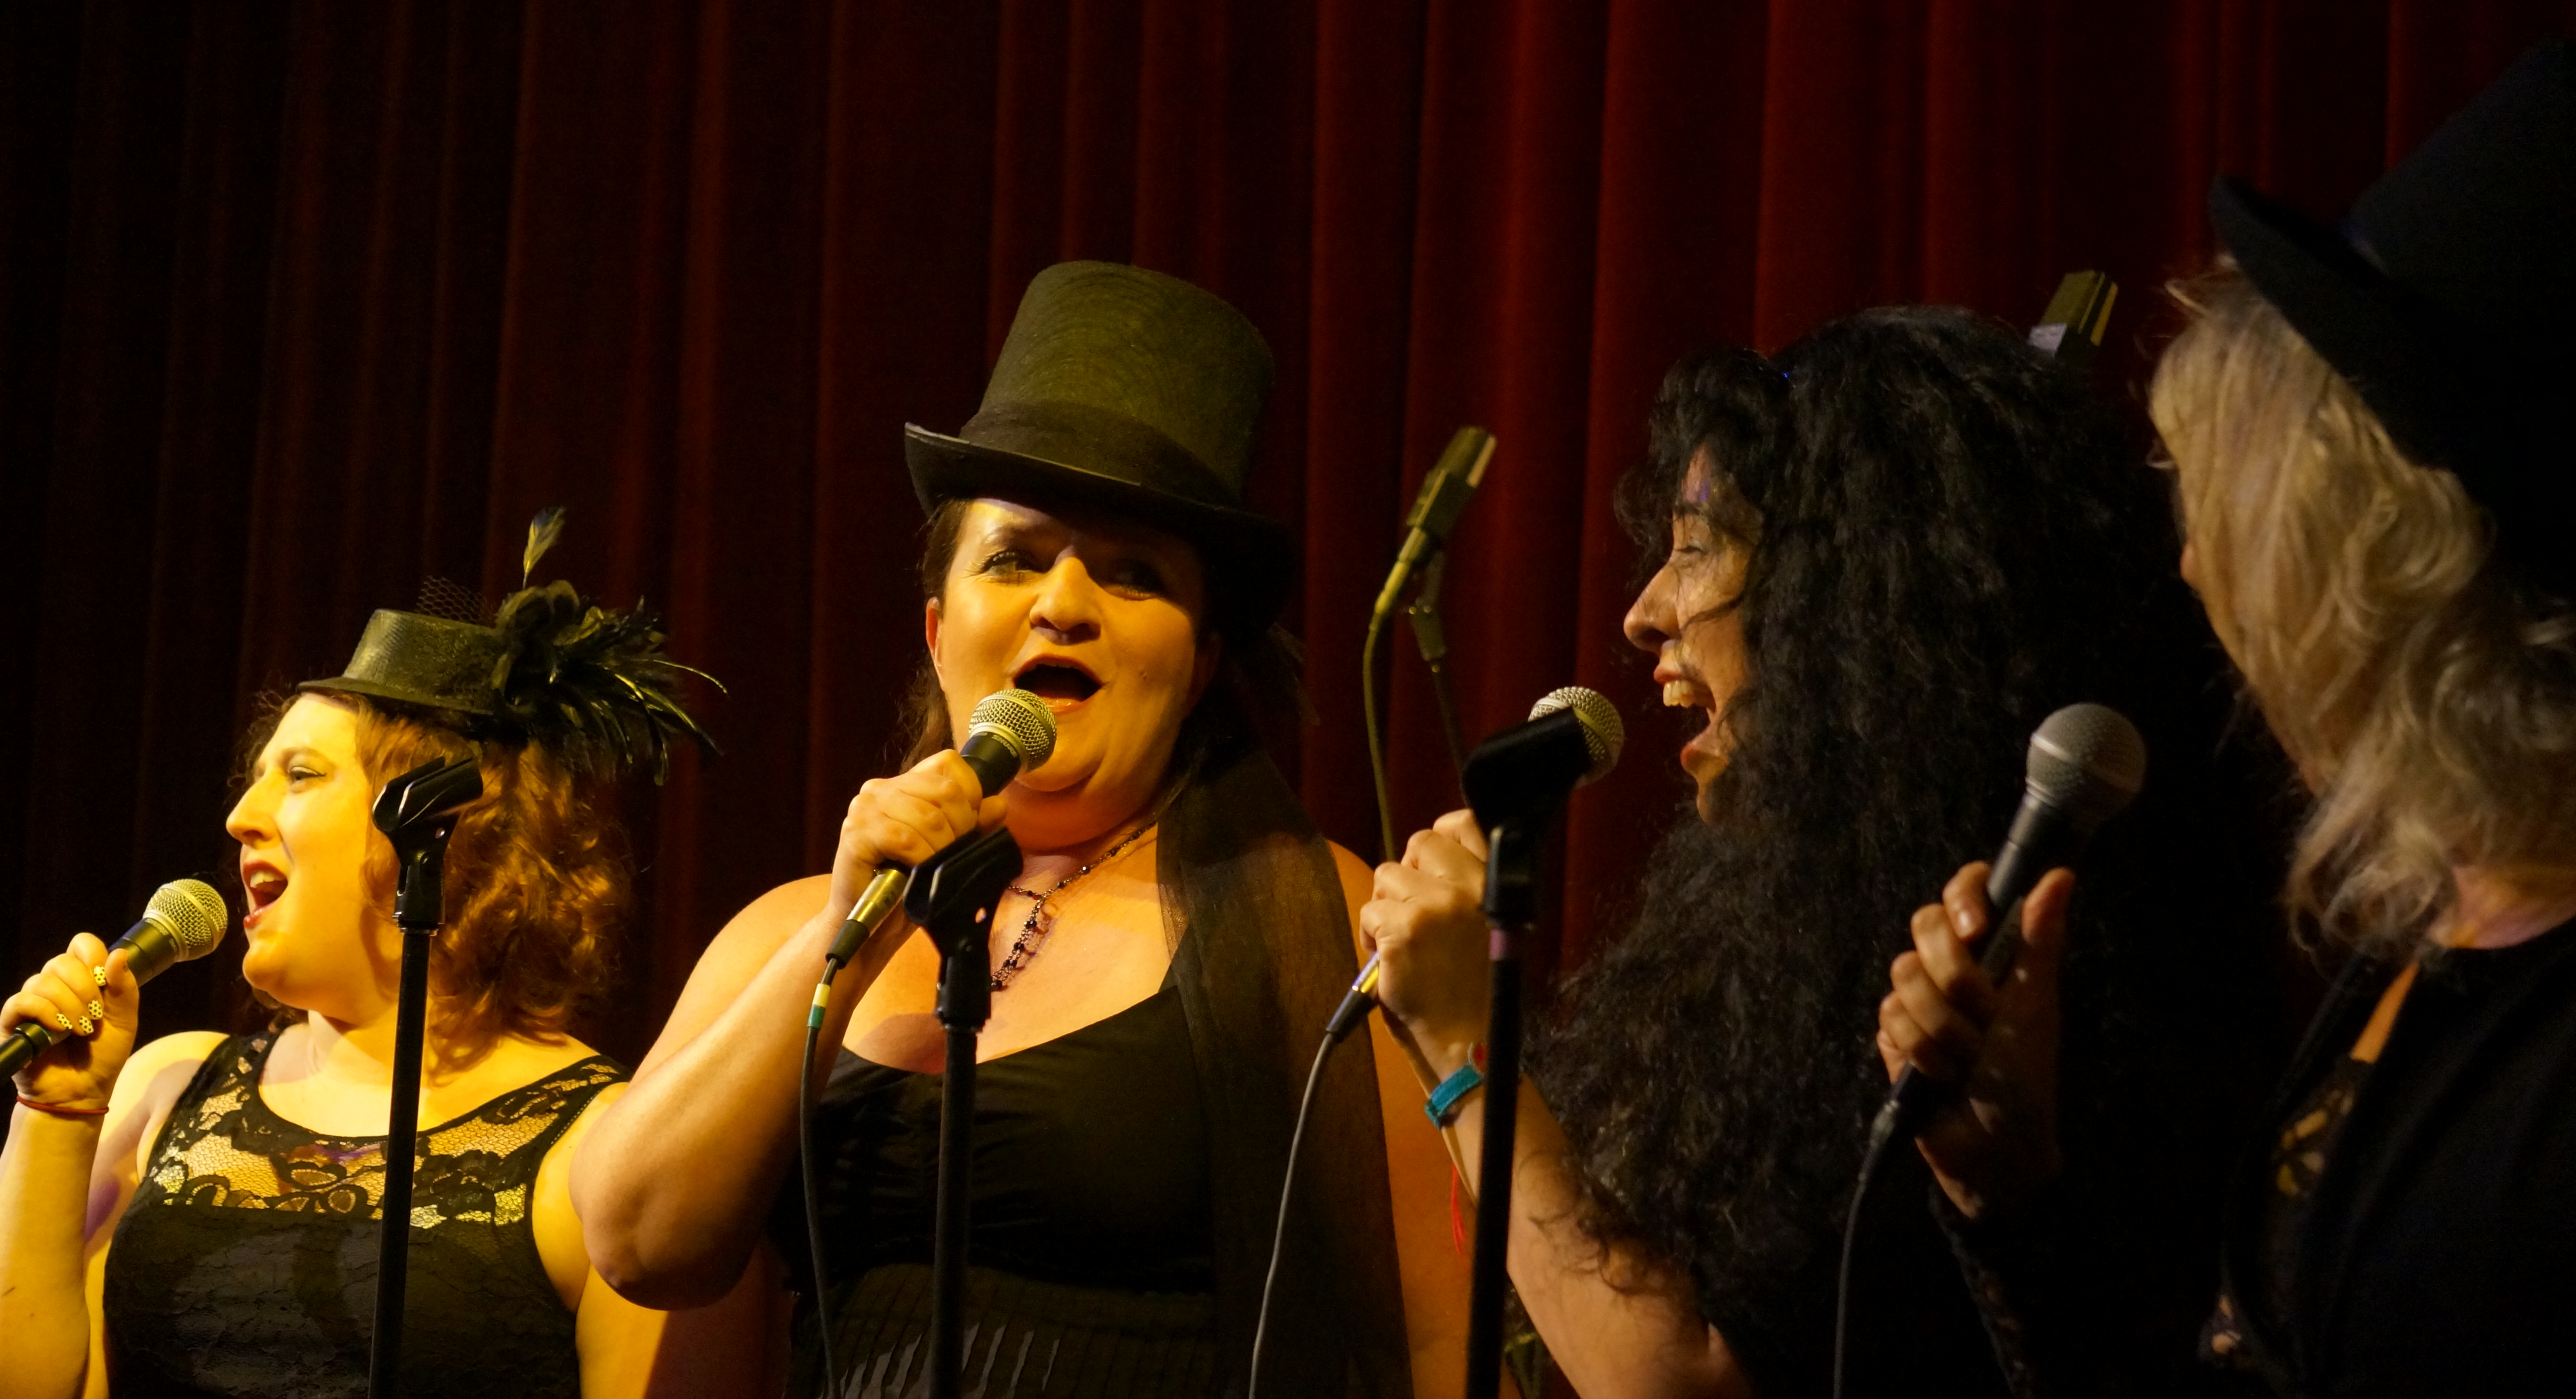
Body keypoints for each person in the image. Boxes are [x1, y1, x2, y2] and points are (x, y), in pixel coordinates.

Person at [572, 261, 1466, 1398]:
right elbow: (640, 1243)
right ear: (939, 633)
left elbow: (1434, 1343)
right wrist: (852, 930)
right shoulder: (795, 928)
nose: (1063, 603)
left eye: (1133, 574)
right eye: (1015, 559)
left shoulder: (1313, 916)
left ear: (1199, 669)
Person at [1362, 308, 2290, 1396]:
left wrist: (1468, 1051)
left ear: (1851, 601)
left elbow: (1680, 1382)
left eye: (1696, 550)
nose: (1643, 614)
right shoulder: (1820, 911)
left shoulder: (1973, 951)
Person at [1879, 41, 2576, 1398]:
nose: (2198, 570)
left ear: (2383, 562)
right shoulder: (2426, 944)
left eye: (2245, 520)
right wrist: (2013, 1189)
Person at [0, 531, 766, 1399]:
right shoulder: (164, 1087)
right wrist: (55, 1114)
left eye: (300, 775)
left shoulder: (603, 1153)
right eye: (257, 777)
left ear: (439, 824)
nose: (242, 816)